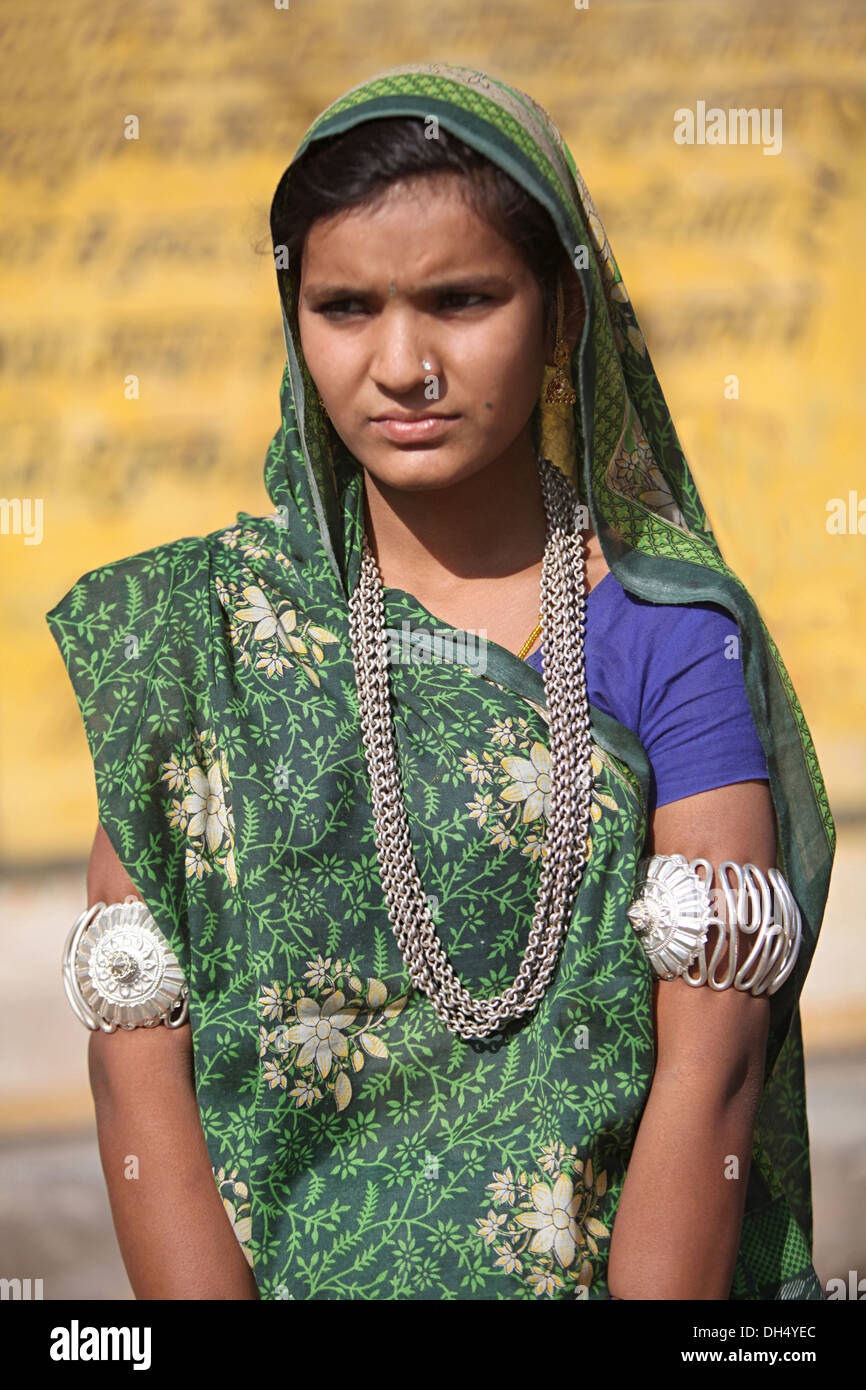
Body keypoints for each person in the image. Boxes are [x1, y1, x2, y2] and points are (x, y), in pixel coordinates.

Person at [47, 61, 835, 1301]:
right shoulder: (199, 641)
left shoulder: (663, 637)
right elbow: (137, 1058)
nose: (401, 363)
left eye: (461, 300)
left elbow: (713, 1067)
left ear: (561, 314)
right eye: (345, 307)